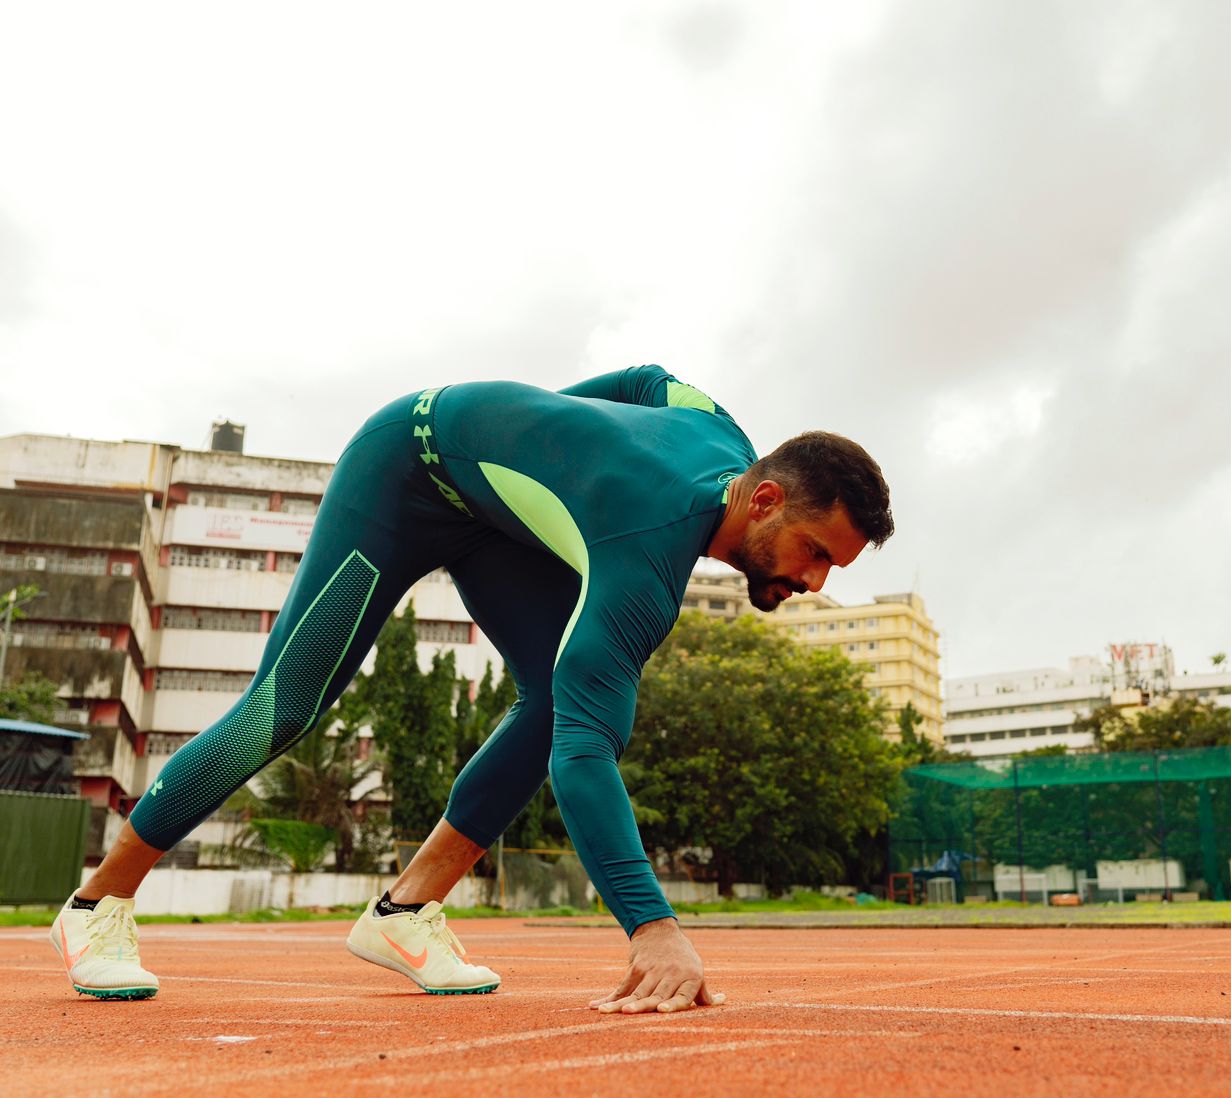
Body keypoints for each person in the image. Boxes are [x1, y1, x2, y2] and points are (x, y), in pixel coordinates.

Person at [49, 366, 893, 1009]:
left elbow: (648, 380)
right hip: (404, 467)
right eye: (815, 553)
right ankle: (96, 904)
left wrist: (548, 443)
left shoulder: (720, 433)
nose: (814, 582)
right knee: (286, 705)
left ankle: (404, 913)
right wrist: (654, 928)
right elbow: (585, 760)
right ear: (765, 498)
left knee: (553, 702)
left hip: (489, 519)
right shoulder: (647, 553)